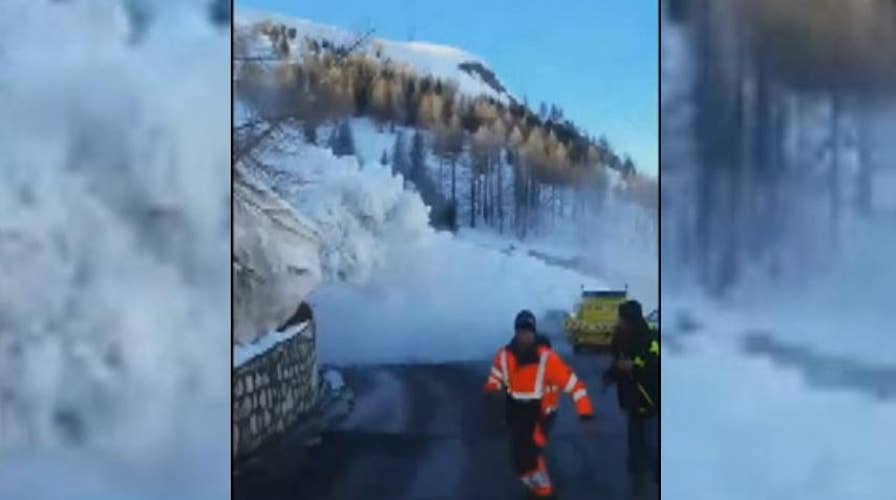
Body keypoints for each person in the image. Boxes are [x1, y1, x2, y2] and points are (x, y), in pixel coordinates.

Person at [484, 310, 595, 499]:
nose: (524, 334)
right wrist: (492, 390)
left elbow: (575, 385)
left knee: (531, 452)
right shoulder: (504, 355)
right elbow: (495, 376)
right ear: (515, 331)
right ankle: (533, 484)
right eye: (521, 330)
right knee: (517, 458)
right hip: (516, 411)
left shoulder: (547, 358)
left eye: (528, 330)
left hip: (541, 414)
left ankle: (544, 491)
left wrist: (585, 415)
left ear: (534, 332)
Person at [602, 300, 659, 498]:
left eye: (623, 319)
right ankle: (638, 484)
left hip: (651, 403)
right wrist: (608, 377)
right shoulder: (620, 338)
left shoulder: (651, 339)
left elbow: (655, 368)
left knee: (652, 446)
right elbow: (618, 364)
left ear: (632, 320)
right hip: (633, 402)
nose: (620, 322)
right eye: (620, 319)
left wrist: (634, 367)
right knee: (635, 448)